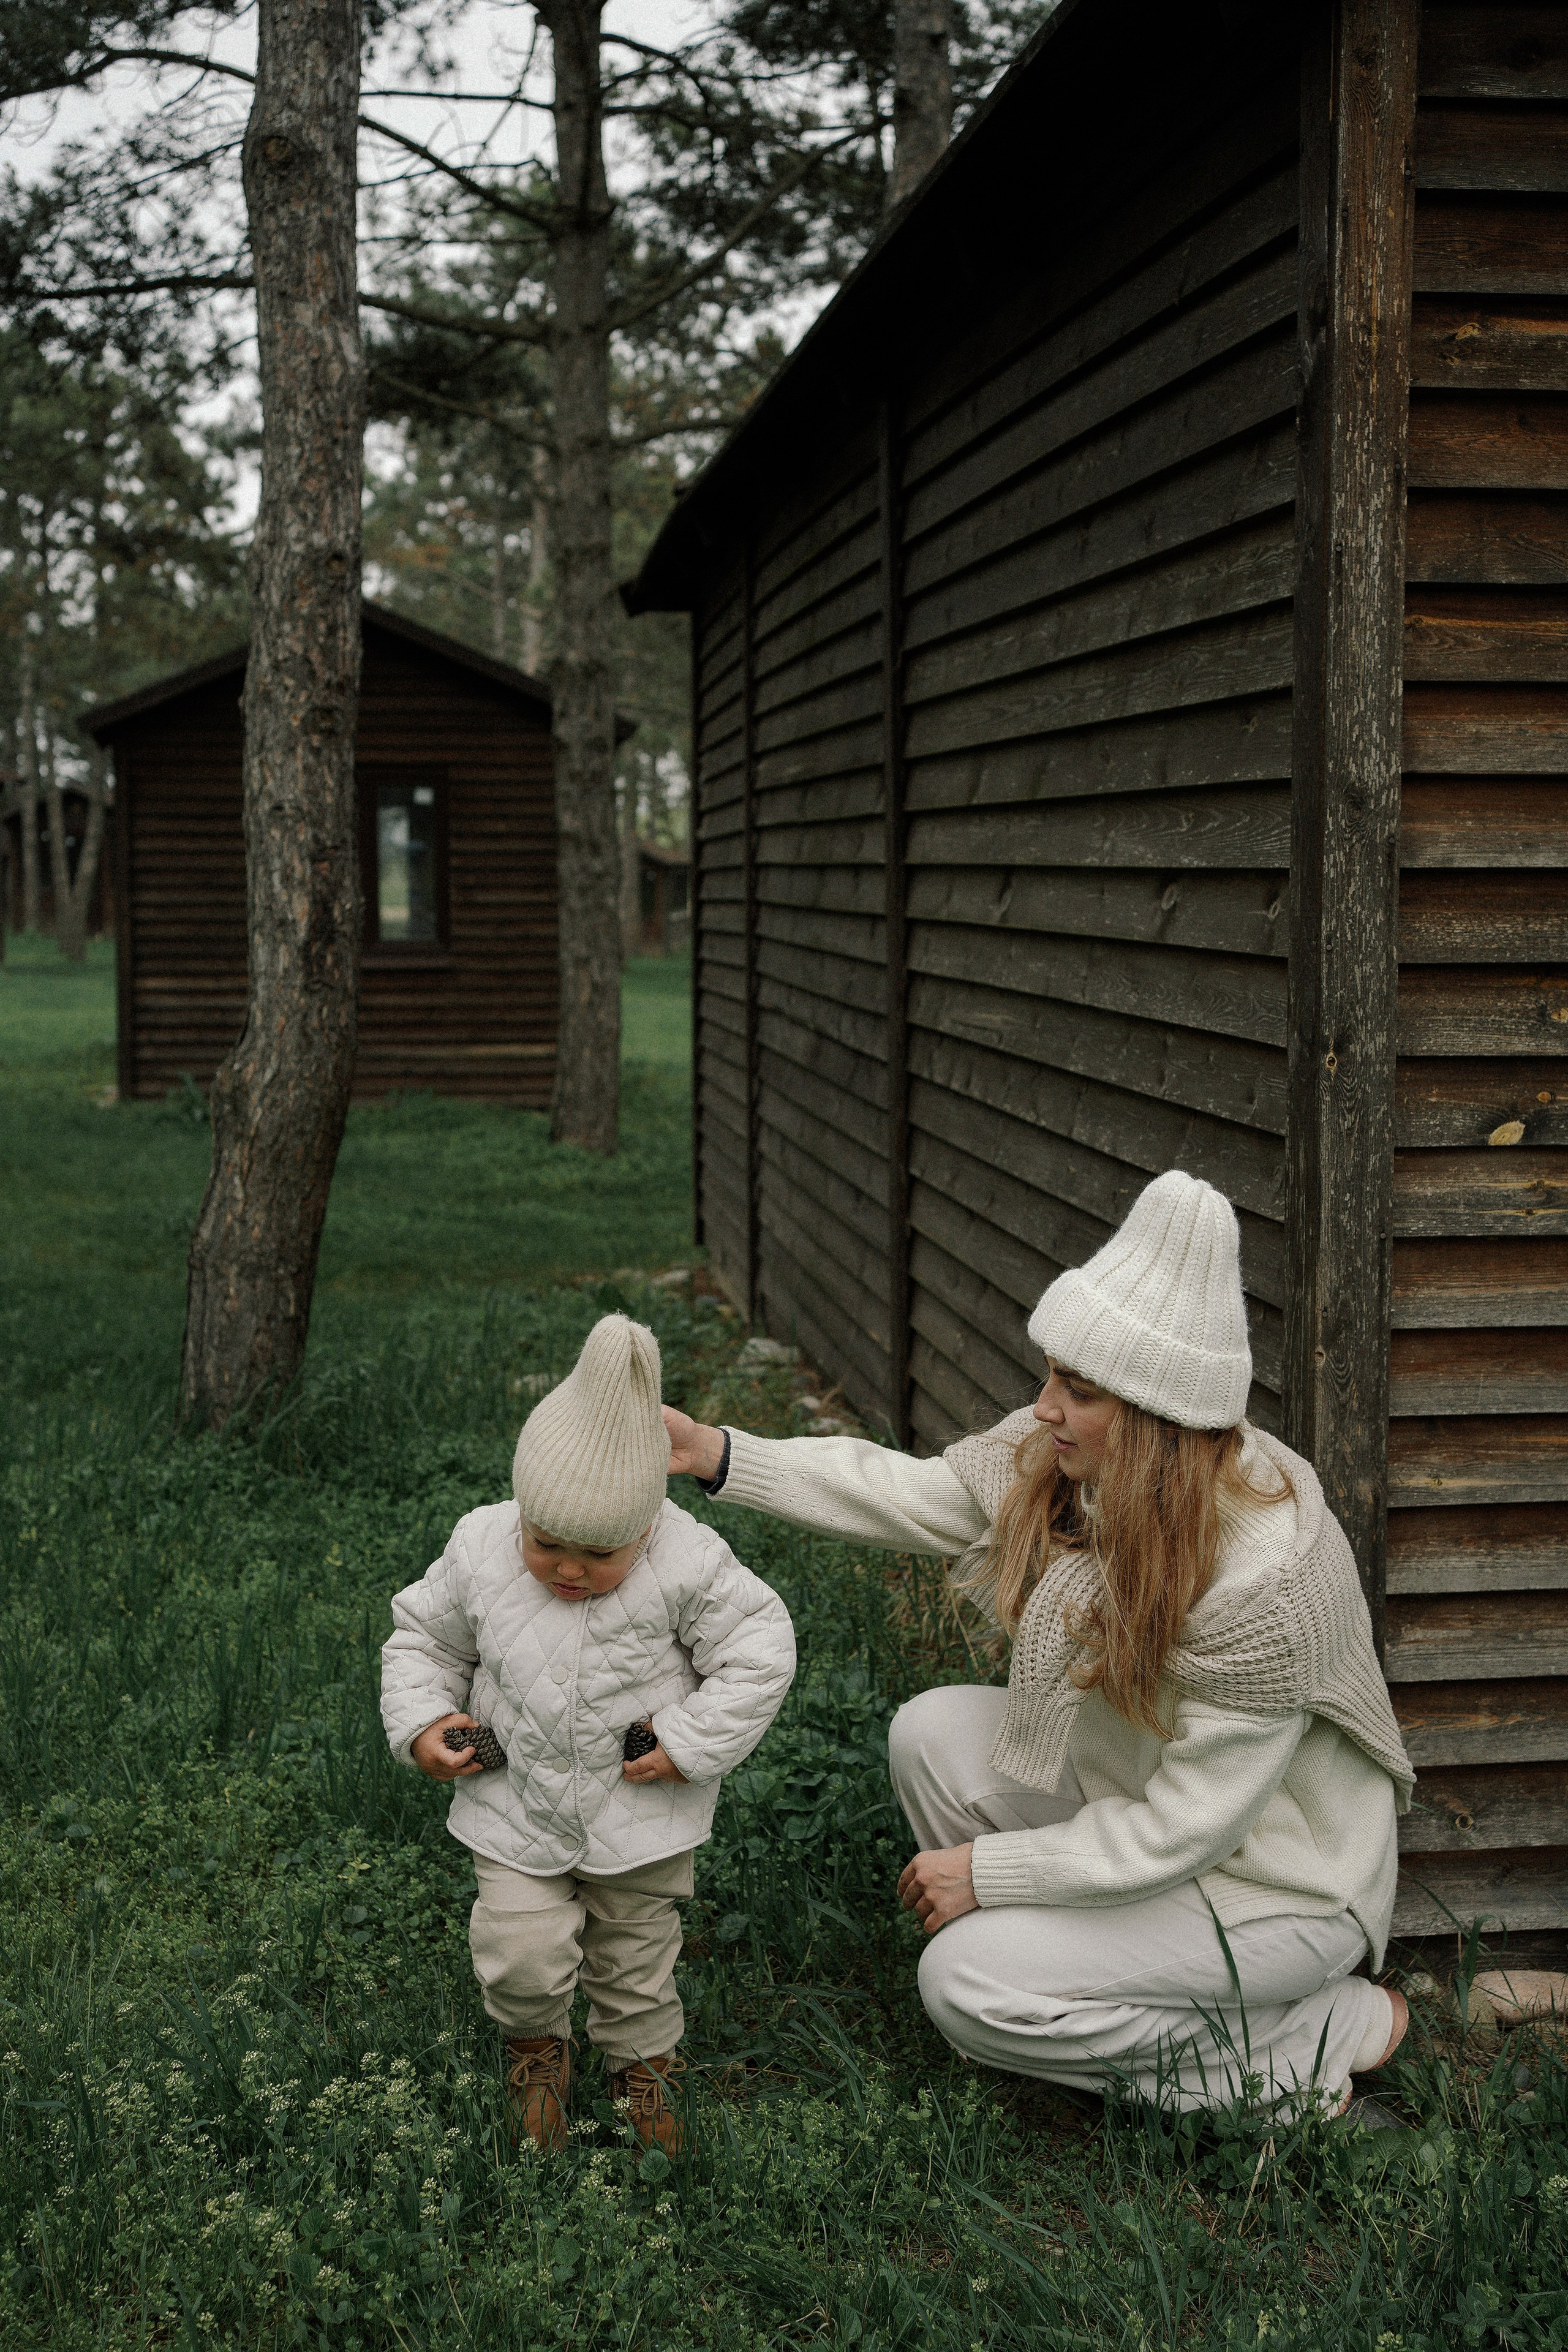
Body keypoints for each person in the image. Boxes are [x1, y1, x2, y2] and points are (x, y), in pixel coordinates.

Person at [664, 1171, 1415, 2117]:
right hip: (1143, 1799)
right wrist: (717, 1453)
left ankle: (1308, 2044)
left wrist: (989, 1874)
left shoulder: (1271, 1583)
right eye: (1053, 1373)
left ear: (1155, 1416)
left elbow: (1187, 1830)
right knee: (929, 1734)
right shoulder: (1081, 1463)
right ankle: (1070, 1985)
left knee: (962, 1985)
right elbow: (915, 1494)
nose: (1045, 1405)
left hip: (1279, 1886)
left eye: (1077, 1389)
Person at [382, 1313, 796, 2152]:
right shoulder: (480, 1547)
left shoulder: (688, 1561)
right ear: (523, 1513)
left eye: (601, 1554)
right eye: (547, 1544)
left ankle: (643, 2068)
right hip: (514, 1801)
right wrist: (423, 1720)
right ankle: (536, 2052)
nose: (570, 1568)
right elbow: (425, 1639)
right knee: (519, 1949)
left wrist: (689, 1739)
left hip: (641, 1815)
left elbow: (761, 1652)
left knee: (636, 1959)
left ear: (648, 1524)